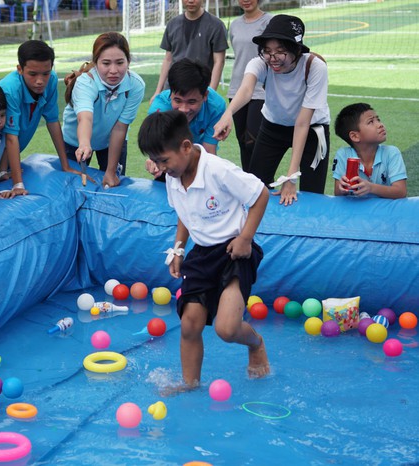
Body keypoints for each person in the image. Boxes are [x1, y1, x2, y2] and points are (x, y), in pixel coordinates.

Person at [137, 110, 270, 391]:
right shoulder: (174, 175)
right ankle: (190, 384)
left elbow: (260, 194)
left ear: (186, 147)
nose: (160, 168)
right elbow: (185, 212)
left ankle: (256, 343)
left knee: (226, 328)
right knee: (189, 325)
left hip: (234, 253)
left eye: (164, 160)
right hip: (202, 255)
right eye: (156, 161)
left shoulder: (218, 170)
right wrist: (178, 248)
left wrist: (246, 238)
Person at [213, 15, 330, 206]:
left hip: (311, 129)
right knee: (256, 185)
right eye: (267, 51)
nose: (272, 58)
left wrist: (291, 177)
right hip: (273, 126)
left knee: (312, 193)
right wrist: (228, 114)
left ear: (297, 50)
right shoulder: (260, 63)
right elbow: (246, 90)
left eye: (280, 52)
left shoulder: (315, 66)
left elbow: (302, 122)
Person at [62, 32, 145, 188]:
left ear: (129, 61)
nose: (113, 70)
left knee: (113, 183)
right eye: (106, 63)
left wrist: (111, 171)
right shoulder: (85, 83)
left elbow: (120, 127)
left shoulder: (135, 85)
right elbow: (85, 118)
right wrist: (85, 144)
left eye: (120, 63)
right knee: (72, 186)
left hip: (111, 140)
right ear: (96, 62)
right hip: (76, 141)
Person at [0, 40, 81, 196]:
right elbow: (10, 138)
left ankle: (2, 171)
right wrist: (18, 184)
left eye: (46, 73)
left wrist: (66, 165)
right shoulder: (10, 90)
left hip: (7, 158)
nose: (40, 80)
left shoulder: (52, 81)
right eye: (33, 74)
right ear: (20, 69)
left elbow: (53, 121)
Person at [146, 58, 226, 179]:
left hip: (199, 156)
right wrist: (153, 161)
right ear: (170, 93)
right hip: (170, 158)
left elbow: (209, 151)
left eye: (191, 102)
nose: (183, 109)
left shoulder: (216, 106)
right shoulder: (159, 110)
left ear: (205, 96)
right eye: (177, 100)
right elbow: (157, 147)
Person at [151, 0, 227, 103]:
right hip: (173, 90)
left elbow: (219, 61)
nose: (191, 1)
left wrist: (210, 93)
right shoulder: (172, 24)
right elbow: (168, 59)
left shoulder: (216, 25)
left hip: (198, 91)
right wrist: (158, 91)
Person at [227, 0, 271, 169]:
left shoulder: (269, 21)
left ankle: (262, 181)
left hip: (260, 90)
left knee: (254, 140)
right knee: (242, 141)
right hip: (236, 90)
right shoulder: (235, 25)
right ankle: (248, 182)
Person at [332, 103, 407, 199]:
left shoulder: (391, 153)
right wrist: (343, 187)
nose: (380, 125)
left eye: (378, 120)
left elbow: (401, 192)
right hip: (357, 211)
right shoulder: (343, 155)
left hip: (385, 211)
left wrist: (371, 188)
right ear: (355, 136)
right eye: (371, 122)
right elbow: (337, 194)